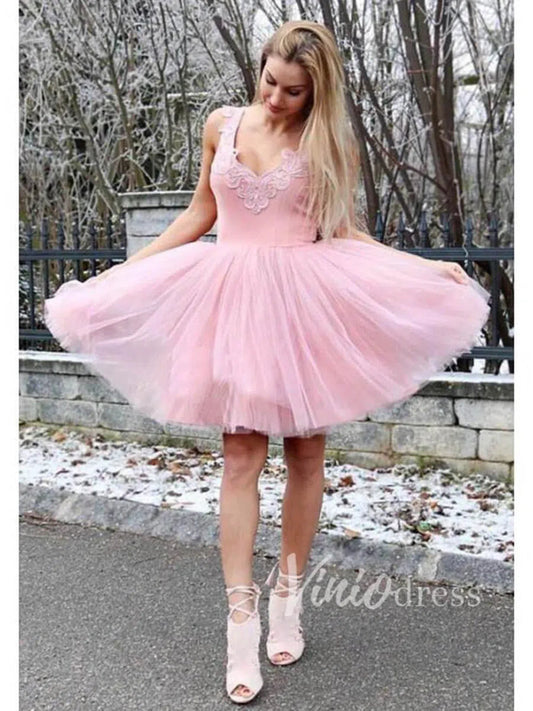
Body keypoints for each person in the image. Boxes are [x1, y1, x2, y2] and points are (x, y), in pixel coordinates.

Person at [44, 19, 490, 705]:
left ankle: (288, 597)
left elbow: (343, 231)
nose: (275, 98)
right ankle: (240, 622)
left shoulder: (328, 144)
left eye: (293, 91)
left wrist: (423, 267)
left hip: (300, 305)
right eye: (270, 82)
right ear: (260, 67)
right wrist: (124, 272)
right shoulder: (221, 125)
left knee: (306, 454)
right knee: (240, 456)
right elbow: (199, 213)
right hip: (231, 304)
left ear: (316, 94)